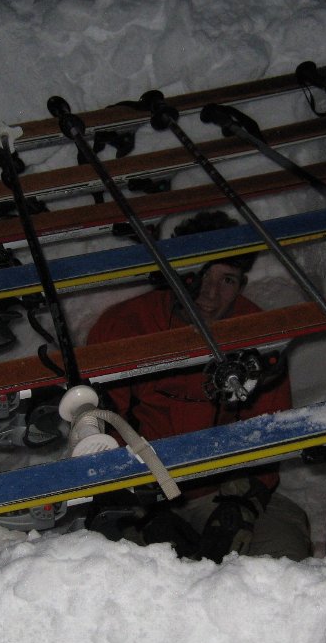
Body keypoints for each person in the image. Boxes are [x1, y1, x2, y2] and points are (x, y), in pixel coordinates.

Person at [85, 211, 312, 562]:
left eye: (227, 280)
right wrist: (139, 505)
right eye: (200, 274)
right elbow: (96, 426)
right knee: (127, 573)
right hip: (140, 494)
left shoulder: (257, 335)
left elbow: (270, 431)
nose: (209, 293)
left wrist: (242, 502)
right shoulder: (125, 327)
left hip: (221, 493)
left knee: (282, 556)